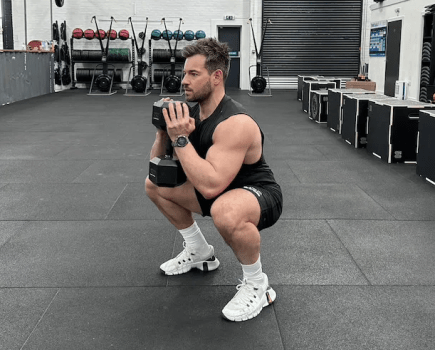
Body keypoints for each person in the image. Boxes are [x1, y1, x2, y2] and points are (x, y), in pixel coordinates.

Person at [145, 37, 283, 322]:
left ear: (216, 77)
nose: (184, 81)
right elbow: (155, 167)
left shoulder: (236, 123)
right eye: (185, 73)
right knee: (155, 185)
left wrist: (180, 137)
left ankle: (258, 285)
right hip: (215, 189)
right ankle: (199, 251)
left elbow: (211, 186)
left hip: (255, 192)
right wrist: (163, 131)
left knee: (225, 210)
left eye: (193, 74)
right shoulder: (189, 112)